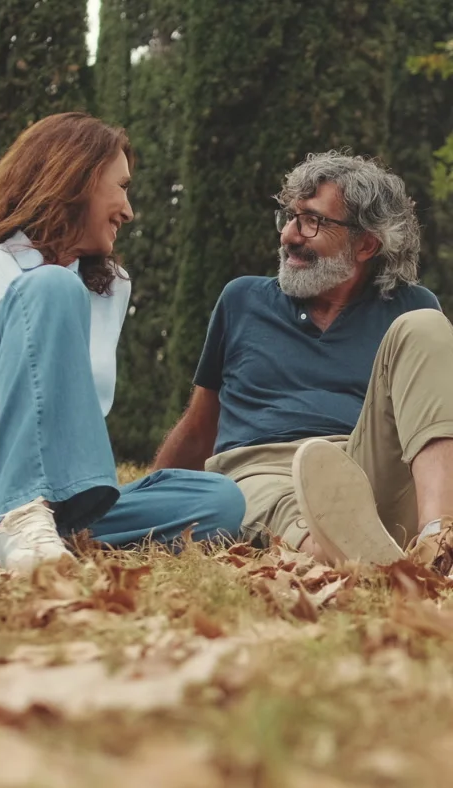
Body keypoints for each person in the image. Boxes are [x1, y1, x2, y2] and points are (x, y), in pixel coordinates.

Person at [154, 150, 453, 572]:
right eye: (291, 217)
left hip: (364, 467)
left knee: (427, 324)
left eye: (313, 221)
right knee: (270, 500)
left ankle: (439, 542)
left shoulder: (408, 307)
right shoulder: (242, 299)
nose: (290, 236)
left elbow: (437, 426)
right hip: (262, 472)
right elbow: (201, 425)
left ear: (366, 243)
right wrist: (150, 494)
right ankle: (351, 559)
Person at [0, 112, 245, 574]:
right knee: (52, 286)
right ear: (75, 179)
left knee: (219, 500)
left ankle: (24, 537)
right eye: (120, 187)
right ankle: (16, 520)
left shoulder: (110, 288)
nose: (129, 209)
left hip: (62, 499)